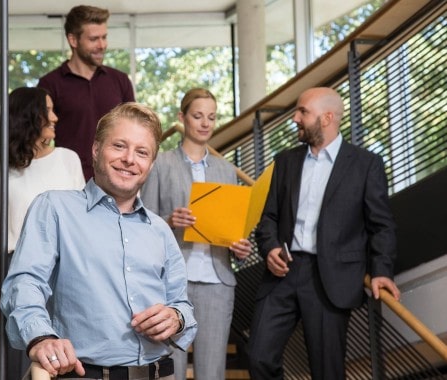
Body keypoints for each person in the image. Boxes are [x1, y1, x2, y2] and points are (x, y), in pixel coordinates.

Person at [0, 102, 197, 380]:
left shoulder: (160, 230)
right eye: (119, 146)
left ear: (150, 165)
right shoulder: (55, 208)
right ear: (95, 150)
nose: (130, 159)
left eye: (142, 152)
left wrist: (176, 318)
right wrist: (41, 337)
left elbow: (182, 304)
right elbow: (25, 283)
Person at [247, 87, 401, 380]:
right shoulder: (285, 162)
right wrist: (269, 249)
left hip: (331, 278)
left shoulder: (366, 164)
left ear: (327, 117)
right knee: (258, 358)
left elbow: (381, 224)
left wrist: (382, 270)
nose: (295, 118)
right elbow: (268, 218)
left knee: (327, 372)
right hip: (283, 274)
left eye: (303, 112)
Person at [140, 88, 253, 380]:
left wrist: (239, 248)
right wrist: (170, 219)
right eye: (198, 116)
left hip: (218, 281)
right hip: (174, 282)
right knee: (171, 371)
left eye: (211, 117)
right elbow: (143, 222)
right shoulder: (161, 164)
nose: (205, 123)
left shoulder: (227, 170)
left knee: (212, 372)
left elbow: (230, 228)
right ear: (182, 117)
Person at [0, 86, 85, 378]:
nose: (55, 117)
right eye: (48, 110)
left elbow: (81, 224)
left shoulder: (68, 159)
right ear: (28, 117)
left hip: (67, 270)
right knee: (23, 361)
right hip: (18, 272)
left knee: (68, 359)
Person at [38, 5, 135, 182]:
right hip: (68, 182)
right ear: (73, 40)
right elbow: (39, 138)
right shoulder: (49, 84)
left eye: (104, 37)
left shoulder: (120, 80)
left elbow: (134, 131)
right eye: (94, 39)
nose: (102, 45)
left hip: (115, 183)